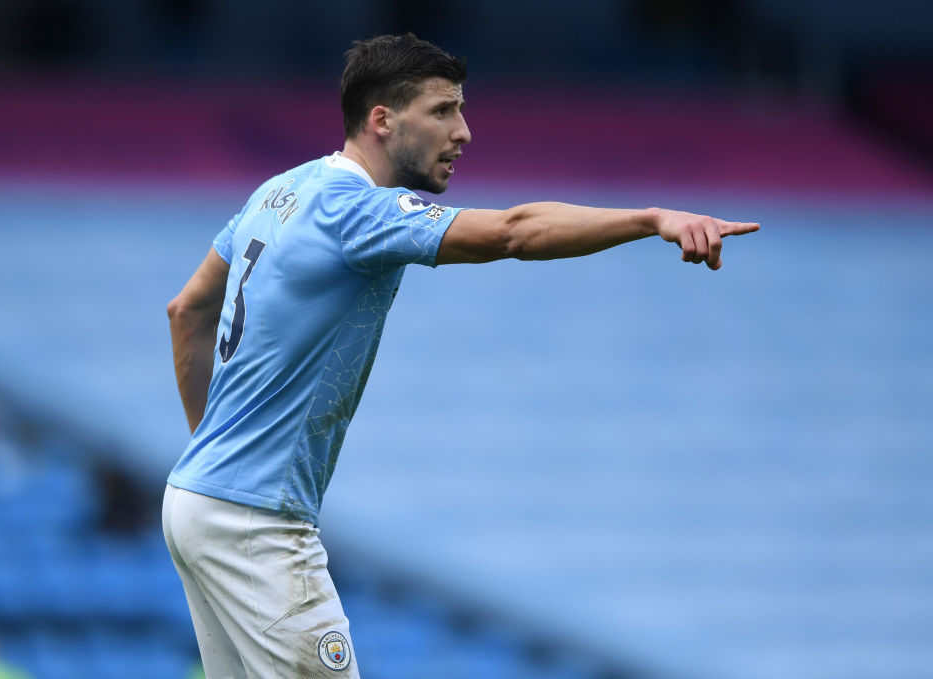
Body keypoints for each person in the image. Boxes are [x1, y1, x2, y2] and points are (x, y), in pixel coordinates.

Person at [162, 33, 759, 679]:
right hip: (256, 522)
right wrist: (650, 219)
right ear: (382, 120)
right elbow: (512, 232)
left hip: (196, 498)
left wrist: (216, 450)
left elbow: (186, 309)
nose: (464, 131)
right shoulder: (356, 210)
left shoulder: (280, 190)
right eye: (443, 110)